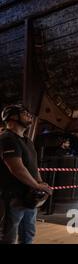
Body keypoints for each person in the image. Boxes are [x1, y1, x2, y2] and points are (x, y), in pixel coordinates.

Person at [0, 104, 52, 244]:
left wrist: (40, 183)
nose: (29, 115)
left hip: (29, 196)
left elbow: (33, 166)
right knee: (8, 235)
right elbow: (17, 168)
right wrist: (37, 185)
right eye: (24, 113)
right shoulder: (7, 138)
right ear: (12, 117)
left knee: (28, 233)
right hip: (13, 197)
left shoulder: (27, 141)